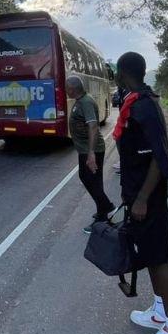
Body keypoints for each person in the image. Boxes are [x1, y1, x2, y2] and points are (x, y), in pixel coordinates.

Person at [113, 51, 168, 334]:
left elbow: (160, 155)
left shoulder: (145, 106)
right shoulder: (135, 100)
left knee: (160, 258)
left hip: (149, 198)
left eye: (117, 71)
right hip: (137, 194)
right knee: (150, 254)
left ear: (122, 72)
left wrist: (143, 198)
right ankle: (160, 312)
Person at [66, 77, 114, 234]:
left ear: (73, 89)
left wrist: (91, 153)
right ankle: (102, 211)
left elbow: (93, 126)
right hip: (86, 149)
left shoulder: (85, 102)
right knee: (93, 181)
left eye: (67, 88)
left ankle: (105, 209)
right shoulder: (81, 100)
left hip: (91, 150)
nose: (66, 90)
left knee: (88, 179)